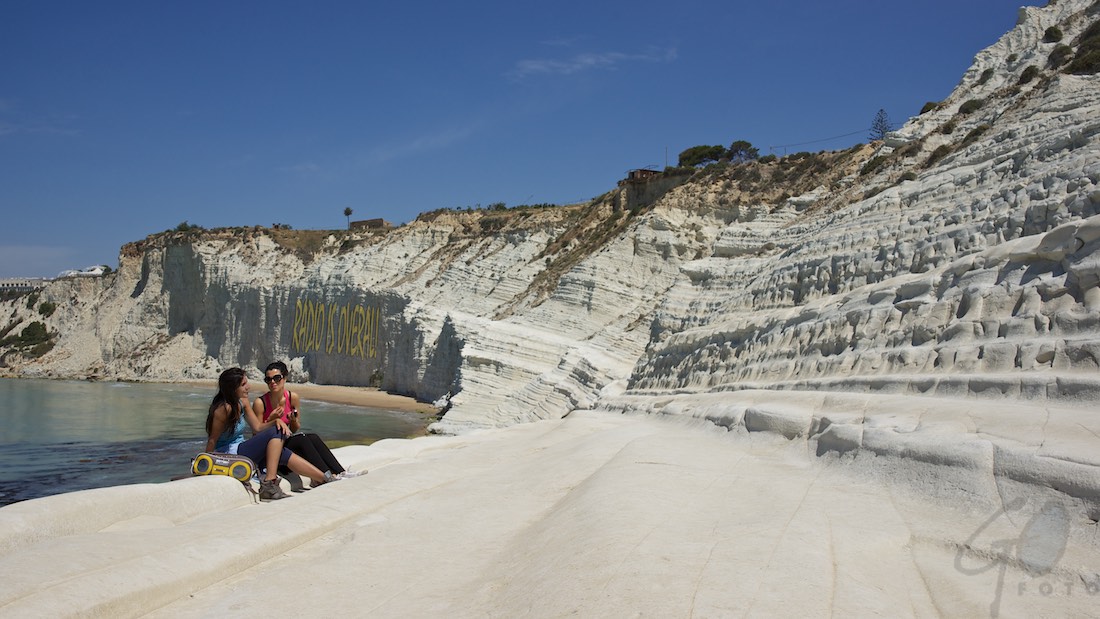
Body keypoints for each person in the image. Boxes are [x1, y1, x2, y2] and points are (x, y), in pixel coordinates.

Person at [205, 367, 331, 501]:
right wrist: (204, 466)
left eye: (246, 382)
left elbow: (258, 428)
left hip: (241, 448)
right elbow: (213, 440)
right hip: (229, 454)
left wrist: (275, 421)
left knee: (281, 451)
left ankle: (325, 479)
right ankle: (269, 483)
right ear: (232, 388)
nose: (248, 387)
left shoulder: (243, 401)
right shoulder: (223, 409)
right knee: (276, 432)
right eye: (243, 385)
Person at [253, 361, 363, 483]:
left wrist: (293, 420)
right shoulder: (260, 403)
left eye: (276, 378)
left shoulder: (292, 397)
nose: (272, 382)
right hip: (271, 449)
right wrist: (271, 420)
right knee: (302, 439)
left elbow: (294, 429)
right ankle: (327, 475)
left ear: (284, 378)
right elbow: (256, 434)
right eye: (268, 380)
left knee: (313, 437)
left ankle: (340, 471)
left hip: (285, 442)